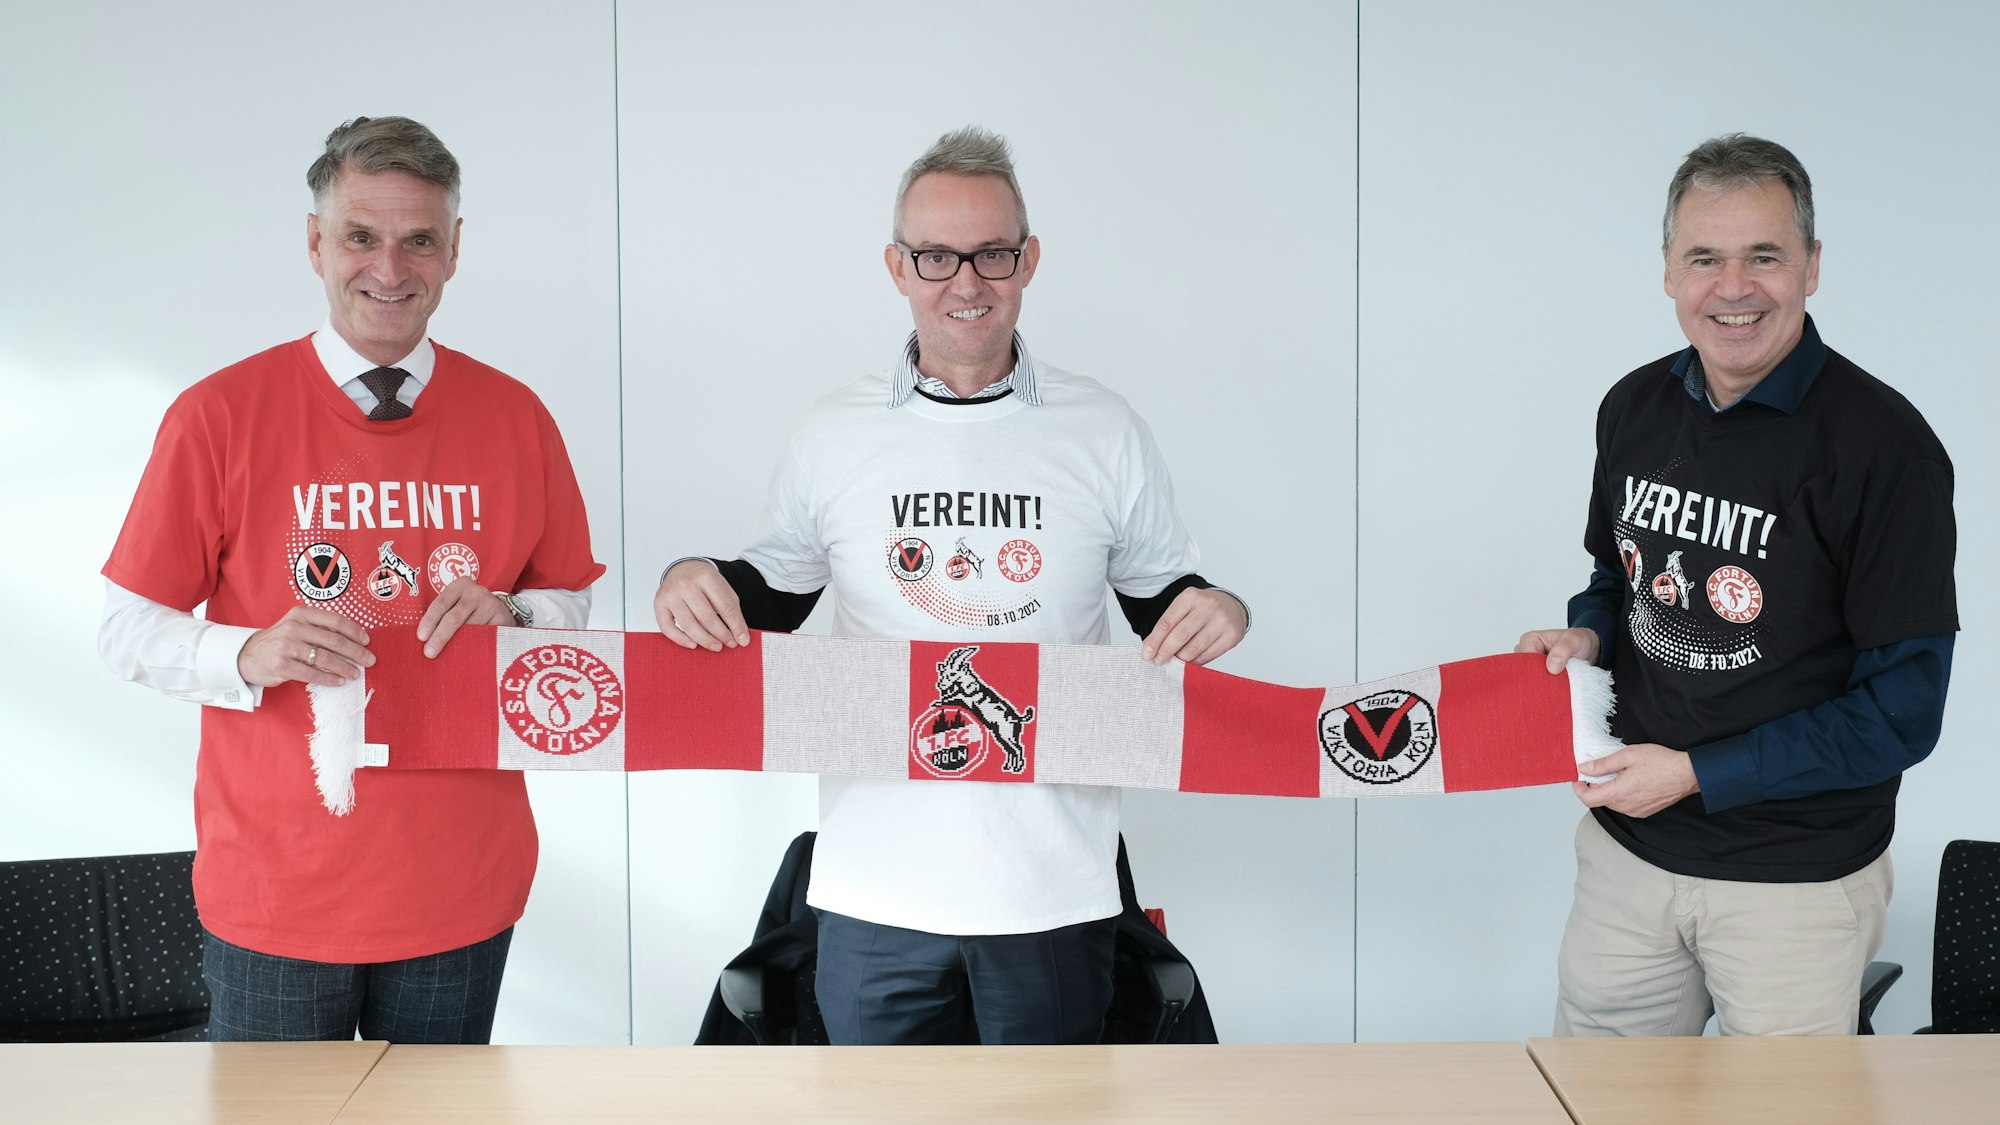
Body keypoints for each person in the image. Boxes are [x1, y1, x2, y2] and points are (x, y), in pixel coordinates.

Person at [654, 126, 1248, 1045]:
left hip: (1053, 890)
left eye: (992, 254)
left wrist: (1220, 608)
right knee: (876, 1111)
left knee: (1050, 1113)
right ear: (897, 266)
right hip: (874, 891)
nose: (966, 282)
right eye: (937, 255)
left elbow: (1165, 600)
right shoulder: (834, 433)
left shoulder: (1104, 429)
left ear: (1029, 260)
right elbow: (767, 593)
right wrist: (690, 578)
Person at [100, 116, 604, 1042]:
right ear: (315, 242)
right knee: (281, 1113)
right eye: (361, 236)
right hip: (279, 886)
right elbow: (126, 627)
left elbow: (569, 600)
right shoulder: (217, 415)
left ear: (455, 250)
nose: (390, 269)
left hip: (462, 879)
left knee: (439, 1114)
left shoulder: (517, 416)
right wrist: (247, 651)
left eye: (420, 241)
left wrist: (516, 611)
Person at [1517, 134, 1957, 1036]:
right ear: (1668, 271)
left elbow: (1903, 711)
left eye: (1764, 256)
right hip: (1629, 858)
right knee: (1601, 1099)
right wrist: (1590, 635)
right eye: (1704, 258)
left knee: (1782, 1106)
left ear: (1812, 266)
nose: (1734, 287)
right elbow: (1616, 578)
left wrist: (1694, 775)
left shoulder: (1885, 449)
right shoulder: (1633, 408)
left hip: (1795, 880)